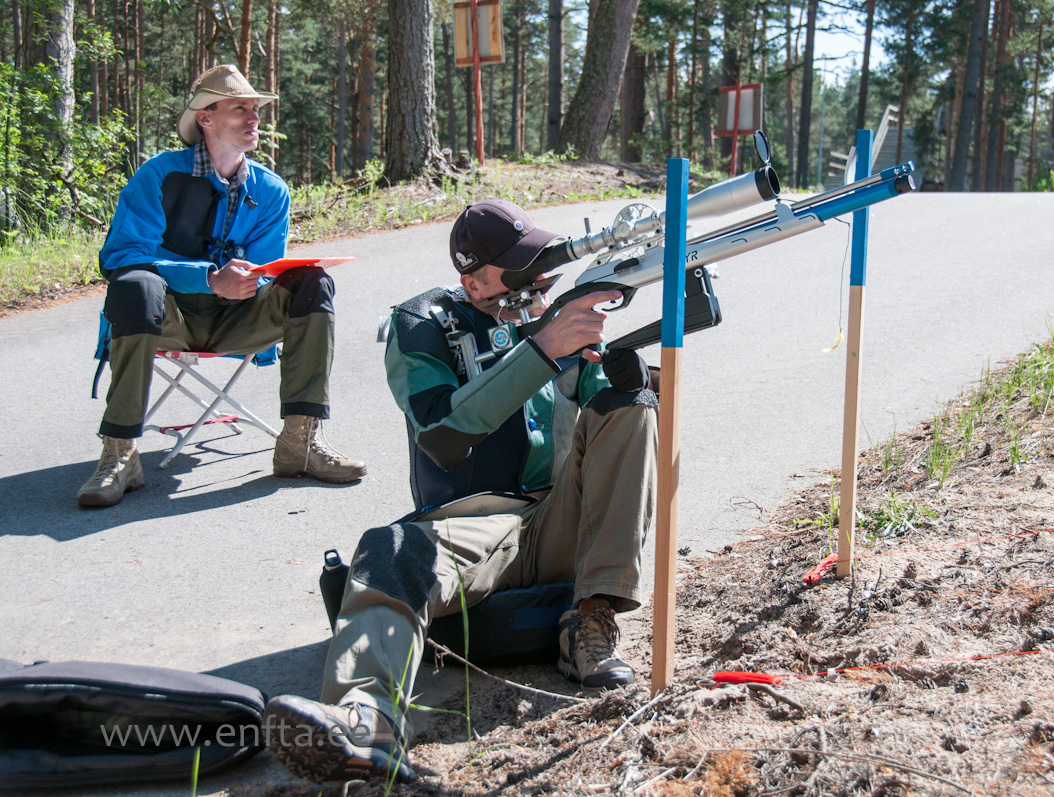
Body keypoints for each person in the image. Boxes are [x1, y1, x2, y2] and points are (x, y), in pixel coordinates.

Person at [263, 200, 658, 784]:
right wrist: (543, 349)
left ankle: (591, 623)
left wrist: (636, 377)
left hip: (563, 516)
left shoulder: (551, 317)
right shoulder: (421, 323)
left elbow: (622, 433)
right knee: (387, 548)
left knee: (635, 408)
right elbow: (442, 435)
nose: (538, 280)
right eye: (518, 269)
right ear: (471, 280)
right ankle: (363, 719)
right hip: (469, 526)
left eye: (540, 266)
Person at [78, 64, 365, 509]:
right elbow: (122, 256)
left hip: (238, 320)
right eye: (239, 109)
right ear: (205, 118)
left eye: (255, 109)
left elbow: (269, 268)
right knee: (135, 285)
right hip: (165, 317)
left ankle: (299, 445)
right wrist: (209, 279)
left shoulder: (271, 190)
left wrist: (254, 279)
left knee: (312, 282)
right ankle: (119, 454)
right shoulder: (157, 175)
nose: (254, 118)